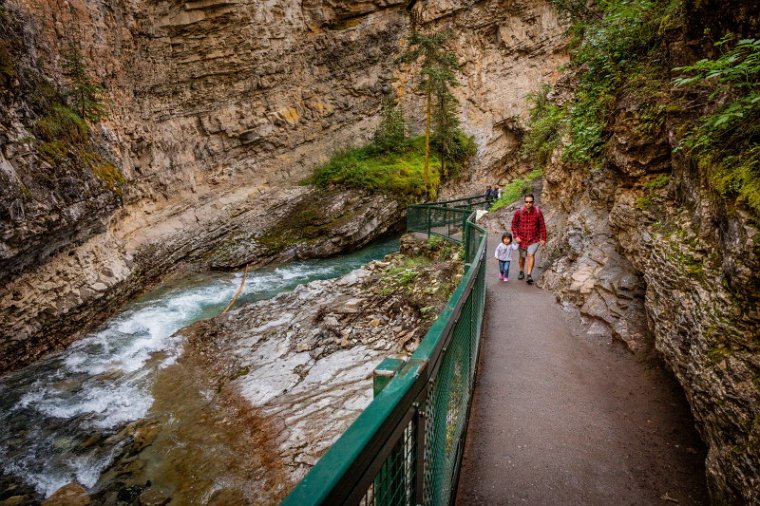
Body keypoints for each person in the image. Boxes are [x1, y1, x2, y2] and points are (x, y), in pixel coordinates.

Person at [511, 194, 546, 284]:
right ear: (524, 202)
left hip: (534, 239)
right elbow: (514, 225)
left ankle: (529, 274)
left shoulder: (538, 212)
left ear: (533, 202)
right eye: (526, 202)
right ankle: (521, 271)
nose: (528, 204)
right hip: (522, 239)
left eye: (530, 202)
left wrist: (543, 238)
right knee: (522, 257)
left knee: (530, 255)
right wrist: (516, 236)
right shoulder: (518, 212)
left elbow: (542, 226)